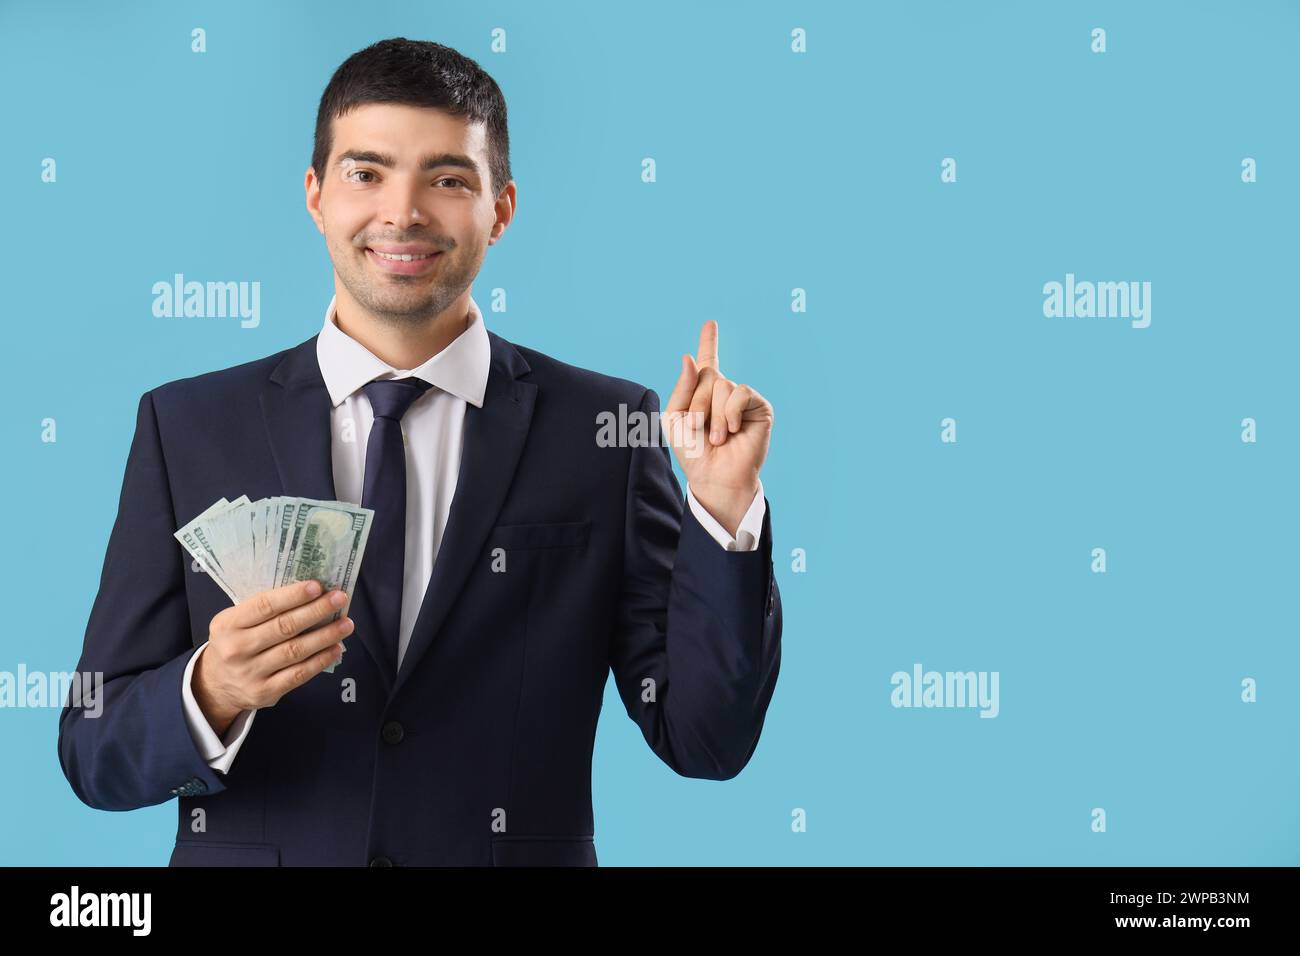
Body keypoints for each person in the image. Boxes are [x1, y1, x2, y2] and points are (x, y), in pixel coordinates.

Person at [57, 37, 782, 867]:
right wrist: (212, 691)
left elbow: (707, 740)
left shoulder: (608, 429)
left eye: (447, 179)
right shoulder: (184, 426)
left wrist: (723, 514)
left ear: (500, 210)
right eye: (366, 173)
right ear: (316, 196)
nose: (402, 213)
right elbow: (92, 750)